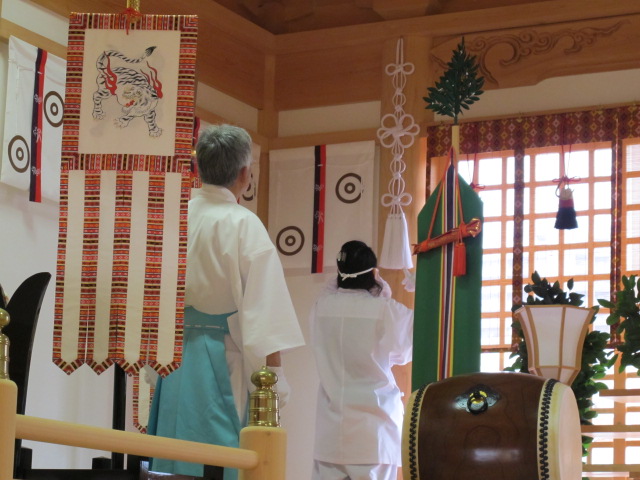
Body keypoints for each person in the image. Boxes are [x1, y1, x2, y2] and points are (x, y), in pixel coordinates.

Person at [148, 124, 305, 479]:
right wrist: (276, 378)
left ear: (198, 167)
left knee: (170, 456)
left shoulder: (174, 218)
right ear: (244, 174)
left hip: (172, 357)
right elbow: (266, 309)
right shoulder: (243, 224)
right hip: (221, 356)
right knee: (219, 457)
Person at [309, 240, 414, 480]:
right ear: (374, 273)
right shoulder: (385, 309)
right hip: (373, 430)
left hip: (331, 431)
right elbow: (404, 353)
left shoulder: (320, 307)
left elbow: (329, 293)